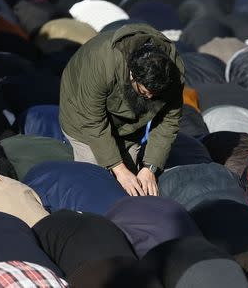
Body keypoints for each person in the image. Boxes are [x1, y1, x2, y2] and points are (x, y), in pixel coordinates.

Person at [59, 24, 185, 196]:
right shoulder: (101, 61)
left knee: (133, 183)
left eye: (155, 95)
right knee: (93, 177)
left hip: (130, 123)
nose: (149, 97)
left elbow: (168, 122)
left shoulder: (174, 73)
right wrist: (118, 169)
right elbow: (93, 122)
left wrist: (150, 167)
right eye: (144, 92)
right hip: (82, 114)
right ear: (132, 75)